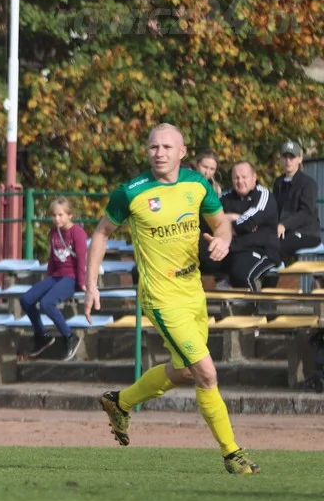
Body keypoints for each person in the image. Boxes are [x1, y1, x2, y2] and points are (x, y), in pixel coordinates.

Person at [85, 123, 259, 474]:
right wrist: (91, 284)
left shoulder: (197, 184)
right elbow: (102, 232)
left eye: (166, 147)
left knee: (183, 372)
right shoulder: (130, 192)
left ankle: (121, 402)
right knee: (207, 373)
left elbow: (220, 223)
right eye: (153, 147)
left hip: (193, 289)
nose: (159, 153)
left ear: (182, 152)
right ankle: (232, 453)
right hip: (161, 296)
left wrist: (224, 238)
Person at [22, 197, 87, 361]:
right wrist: (48, 279)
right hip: (56, 276)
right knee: (26, 299)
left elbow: (81, 259)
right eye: (54, 215)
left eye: (60, 215)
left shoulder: (77, 232)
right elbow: (52, 258)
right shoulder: (54, 232)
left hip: (71, 277)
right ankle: (42, 335)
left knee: (46, 303)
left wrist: (81, 283)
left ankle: (70, 336)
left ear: (70, 215)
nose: (56, 218)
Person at [202, 162, 278, 292]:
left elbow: (248, 223)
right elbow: (207, 221)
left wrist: (224, 224)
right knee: (199, 257)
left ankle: (255, 309)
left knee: (242, 275)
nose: (240, 181)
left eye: (244, 177)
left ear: (254, 177)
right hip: (232, 248)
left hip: (261, 249)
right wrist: (231, 218)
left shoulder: (263, 195)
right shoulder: (225, 197)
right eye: (236, 178)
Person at [273, 140, 321, 265]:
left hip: (307, 233)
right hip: (285, 233)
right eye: (285, 157)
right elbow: (274, 209)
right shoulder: (278, 183)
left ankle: (271, 283)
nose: (288, 161)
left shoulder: (308, 183)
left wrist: (284, 225)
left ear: (300, 159)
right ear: (281, 159)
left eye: (292, 157)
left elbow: (306, 212)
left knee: (277, 247)